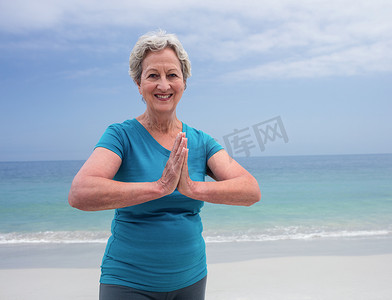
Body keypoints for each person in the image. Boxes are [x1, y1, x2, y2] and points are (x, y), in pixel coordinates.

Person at [68, 30, 261, 300]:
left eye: (172, 75)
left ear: (184, 82)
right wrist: (159, 187)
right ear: (138, 83)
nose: (163, 85)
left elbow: (250, 190)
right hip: (128, 281)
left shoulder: (200, 141)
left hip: (191, 280)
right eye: (152, 75)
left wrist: (192, 188)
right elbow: (80, 193)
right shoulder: (120, 136)